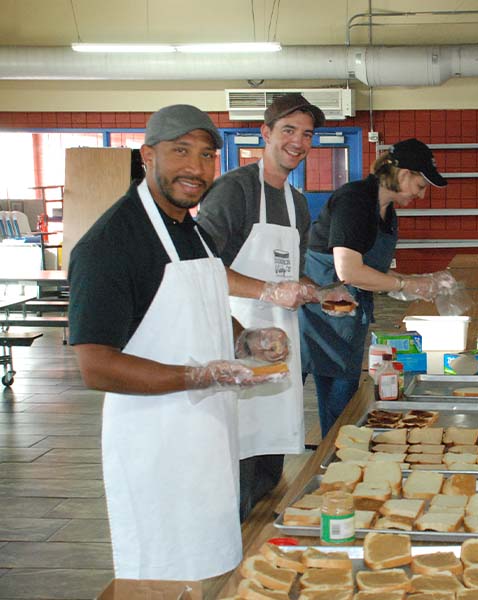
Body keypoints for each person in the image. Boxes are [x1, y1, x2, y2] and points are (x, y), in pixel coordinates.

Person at [68, 104, 293, 580]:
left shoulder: (189, 229)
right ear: (147, 155)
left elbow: (205, 305)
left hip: (209, 437)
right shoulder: (110, 244)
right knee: (161, 575)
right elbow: (96, 366)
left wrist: (246, 338)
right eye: (181, 151)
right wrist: (198, 375)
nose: (196, 167)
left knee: (212, 564)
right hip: (156, 445)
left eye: (208, 155)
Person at [196, 93, 347, 522]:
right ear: (265, 133)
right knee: (238, 457)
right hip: (236, 338)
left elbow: (292, 275)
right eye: (288, 131)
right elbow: (203, 269)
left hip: (281, 345)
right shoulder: (235, 190)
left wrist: (320, 292)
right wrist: (266, 291)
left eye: (307, 134)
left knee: (269, 466)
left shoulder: (296, 202)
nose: (298, 142)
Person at [299, 139, 459, 436]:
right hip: (323, 309)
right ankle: (330, 460)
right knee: (332, 395)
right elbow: (349, 270)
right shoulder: (356, 199)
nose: (421, 195)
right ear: (402, 174)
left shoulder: (385, 209)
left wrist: (415, 283)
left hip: (349, 310)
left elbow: (371, 265)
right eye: (420, 186)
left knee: (343, 393)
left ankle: (337, 450)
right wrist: (405, 283)